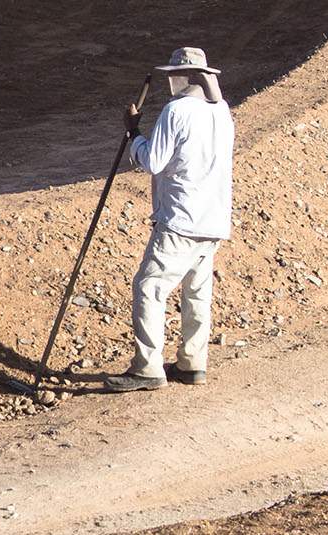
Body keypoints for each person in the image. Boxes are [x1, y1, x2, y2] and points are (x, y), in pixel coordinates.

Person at [105, 47, 234, 392]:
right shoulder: (221, 111)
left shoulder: (175, 111)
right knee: (197, 291)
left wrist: (134, 133)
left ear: (185, 77)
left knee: (149, 287)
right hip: (214, 220)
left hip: (180, 220)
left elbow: (152, 162)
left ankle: (147, 368)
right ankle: (193, 363)